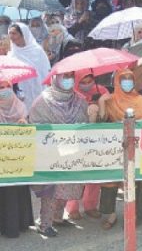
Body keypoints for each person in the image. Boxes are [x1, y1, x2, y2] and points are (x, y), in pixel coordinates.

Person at [29, 71, 88, 237]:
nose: (68, 80)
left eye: (71, 76)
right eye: (65, 76)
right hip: (51, 153)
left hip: (72, 151)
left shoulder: (79, 100)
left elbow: (86, 123)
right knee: (50, 190)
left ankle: (57, 217)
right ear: (56, 79)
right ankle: (45, 223)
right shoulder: (43, 100)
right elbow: (35, 124)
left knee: (67, 186)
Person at [97, 69, 142, 230]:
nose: (127, 83)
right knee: (110, 180)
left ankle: (134, 215)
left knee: (135, 181)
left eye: (130, 79)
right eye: (123, 79)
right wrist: (101, 102)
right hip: (114, 146)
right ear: (117, 83)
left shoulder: (140, 100)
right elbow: (100, 122)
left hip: (136, 145)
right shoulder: (110, 100)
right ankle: (110, 215)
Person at [65, 73, 109, 220]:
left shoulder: (101, 90)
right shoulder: (71, 94)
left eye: (89, 81)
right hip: (77, 137)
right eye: (83, 82)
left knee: (94, 171)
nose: (86, 84)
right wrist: (87, 106)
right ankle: (72, 207)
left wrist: (100, 102)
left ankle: (90, 205)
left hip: (98, 138)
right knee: (76, 172)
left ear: (94, 80)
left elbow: (108, 111)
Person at [0, 74, 33, 238]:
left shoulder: (20, 107)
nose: (4, 91)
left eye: (6, 87)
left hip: (17, 159)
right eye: (0, 88)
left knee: (16, 190)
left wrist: (24, 124)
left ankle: (20, 222)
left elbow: (30, 130)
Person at [7, 23, 50, 110]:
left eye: (14, 33)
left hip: (37, 87)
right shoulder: (12, 53)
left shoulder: (37, 51)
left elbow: (45, 71)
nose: (11, 36)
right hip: (19, 90)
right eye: (10, 33)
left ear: (23, 34)